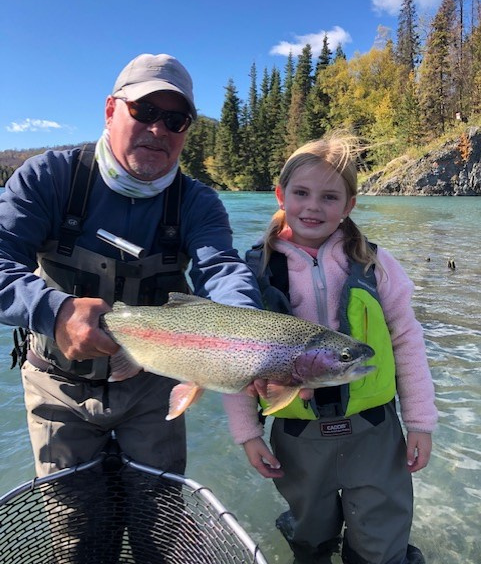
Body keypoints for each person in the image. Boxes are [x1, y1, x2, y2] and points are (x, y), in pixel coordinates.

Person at [0, 52, 263, 563]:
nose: (157, 130)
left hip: (153, 389)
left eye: (175, 119)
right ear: (109, 110)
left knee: (160, 524)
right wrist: (52, 310)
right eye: (143, 111)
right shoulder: (48, 179)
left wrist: (248, 344)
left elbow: (223, 272)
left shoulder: (196, 204)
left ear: (186, 130)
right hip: (58, 385)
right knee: (75, 533)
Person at [223, 133, 438, 564]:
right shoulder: (255, 274)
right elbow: (235, 358)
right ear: (281, 195)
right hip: (296, 433)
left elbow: (407, 342)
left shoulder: (375, 263)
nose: (313, 207)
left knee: (382, 537)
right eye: (301, 193)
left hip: (376, 431)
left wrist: (419, 422)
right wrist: (247, 434)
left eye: (329, 196)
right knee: (310, 531)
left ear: (349, 205)